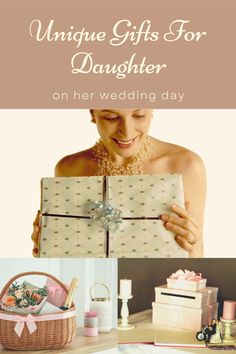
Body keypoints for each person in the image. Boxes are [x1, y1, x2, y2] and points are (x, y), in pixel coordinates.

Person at [32, 109, 206, 257]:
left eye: (139, 115)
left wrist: (195, 246)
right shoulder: (69, 169)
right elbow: (71, 250)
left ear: (152, 110)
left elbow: (195, 256)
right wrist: (48, 247)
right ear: (93, 113)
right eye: (111, 117)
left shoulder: (186, 165)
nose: (127, 131)